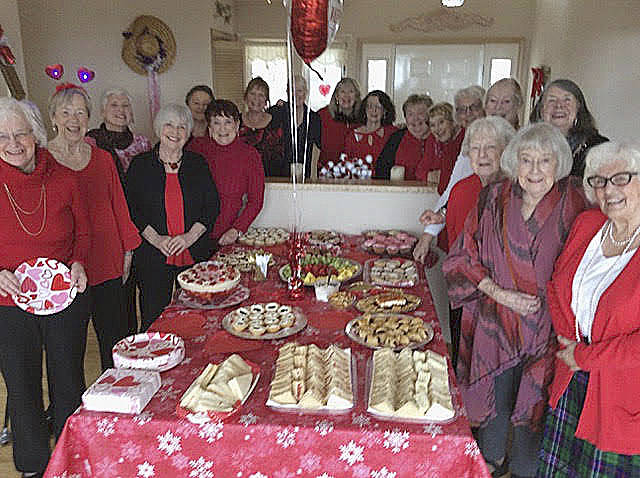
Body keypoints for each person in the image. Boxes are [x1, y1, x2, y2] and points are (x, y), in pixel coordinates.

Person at [442, 123, 588, 478]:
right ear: (514, 162)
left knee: (534, 409)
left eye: (544, 160)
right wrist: (498, 291)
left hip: (549, 329)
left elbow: (590, 267)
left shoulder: (576, 203)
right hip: (496, 320)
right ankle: (488, 463)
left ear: (560, 164)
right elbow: (462, 255)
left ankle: (525, 470)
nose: (534, 170)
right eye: (526, 160)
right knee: (493, 403)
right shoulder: (492, 198)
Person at [0, 97, 90, 478]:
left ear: (36, 134)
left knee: (68, 380)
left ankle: (71, 460)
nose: (13, 142)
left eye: (21, 133)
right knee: (21, 385)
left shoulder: (65, 178)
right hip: (9, 298)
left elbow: (84, 231)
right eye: (3, 136)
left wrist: (79, 262)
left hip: (62, 294)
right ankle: (33, 465)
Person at [538, 141, 640, 476]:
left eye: (621, 178)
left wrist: (585, 356)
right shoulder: (588, 224)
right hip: (572, 381)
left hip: (623, 397)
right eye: (598, 180)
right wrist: (570, 343)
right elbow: (556, 285)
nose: (608, 189)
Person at [47, 84, 141, 370]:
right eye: (65, 113)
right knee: (67, 346)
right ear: (53, 118)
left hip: (107, 259)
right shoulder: (43, 160)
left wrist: (128, 251)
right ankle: (66, 407)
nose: (73, 120)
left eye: (79, 112)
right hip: (63, 264)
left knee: (113, 339)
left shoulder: (102, 159)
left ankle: (114, 399)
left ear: (88, 118)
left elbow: (119, 205)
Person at [126, 104, 219, 331]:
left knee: (197, 318)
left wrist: (188, 237)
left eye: (181, 127)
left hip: (194, 253)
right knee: (153, 317)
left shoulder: (198, 163)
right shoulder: (140, 165)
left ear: (188, 133)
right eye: (169, 124)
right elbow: (132, 210)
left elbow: (212, 206)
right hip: (153, 256)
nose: (175, 132)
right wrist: (157, 240)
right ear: (159, 128)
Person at [414, 79, 522, 262]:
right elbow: (453, 190)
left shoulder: (526, 151)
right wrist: (437, 222)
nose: (498, 108)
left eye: (506, 101)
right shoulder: (465, 181)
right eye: (493, 101)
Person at [443, 116, 516, 370]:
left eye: (491, 147)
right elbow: (454, 247)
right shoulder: (465, 189)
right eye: (475, 148)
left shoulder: (516, 193)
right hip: (466, 297)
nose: (482, 154)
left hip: (499, 311)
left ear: (506, 150)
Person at [188, 99, 265, 245]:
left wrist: (236, 229)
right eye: (216, 123)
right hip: (191, 235)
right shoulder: (196, 148)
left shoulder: (249, 155)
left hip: (226, 236)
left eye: (228, 122)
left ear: (237, 126)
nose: (222, 129)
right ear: (209, 127)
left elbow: (255, 201)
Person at [530, 78, 608, 178]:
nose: (559, 106)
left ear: (578, 107)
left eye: (567, 100)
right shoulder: (527, 145)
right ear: (541, 110)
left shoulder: (599, 147)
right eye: (551, 100)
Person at [86, 87, 151, 183]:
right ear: (103, 112)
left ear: (131, 113)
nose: (120, 110)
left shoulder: (143, 143)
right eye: (114, 105)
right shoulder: (91, 142)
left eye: (125, 105)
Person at [269, 74, 321, 178]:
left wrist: (313, 176)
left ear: (306, 93)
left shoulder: (314, 118)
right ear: (287, 92)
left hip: (305, 174)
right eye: (292, 90)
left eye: (300, 90)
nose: (296, 94)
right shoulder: (277, 113)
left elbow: (316, 149)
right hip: (279, 173)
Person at [375, 94, 433, 180]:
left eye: (420, 113)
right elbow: (381, 171)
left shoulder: (439, 138)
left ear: (430, 116)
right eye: (410, 114)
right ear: (405, 118)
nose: (415, 118)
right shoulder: (396, 138)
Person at [342, 90, 397, 174]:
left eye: (378, 107)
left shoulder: (392, 133)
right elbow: (346, 164)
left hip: (384, 184)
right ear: (365, 109)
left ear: (385, 111)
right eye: (370, 106)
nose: (373, 110)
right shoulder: (352, 135)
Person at [239, 77, 285, 177]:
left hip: (271, 181)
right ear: (246, 97)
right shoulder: (235, 122)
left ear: (266, 101)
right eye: (252, 94)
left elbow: (281, 158)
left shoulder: (276, 123)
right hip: (240, 180)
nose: (256, 98)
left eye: (261, 95)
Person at [416, 102, 464, 197]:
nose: (437, 129)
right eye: (432, 125)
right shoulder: (434, 140)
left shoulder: (463, 138)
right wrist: (431, 175)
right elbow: (420, 171)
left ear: (453, 122)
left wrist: (441, 175)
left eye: (441, 122)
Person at [317, 77, 362, 173]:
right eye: (342, 92)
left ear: (356, 97)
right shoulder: (323, 115)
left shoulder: (363, 118)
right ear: (336, 96)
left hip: (354, 174)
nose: (347, 96)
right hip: (325, 172)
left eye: (351, 92)